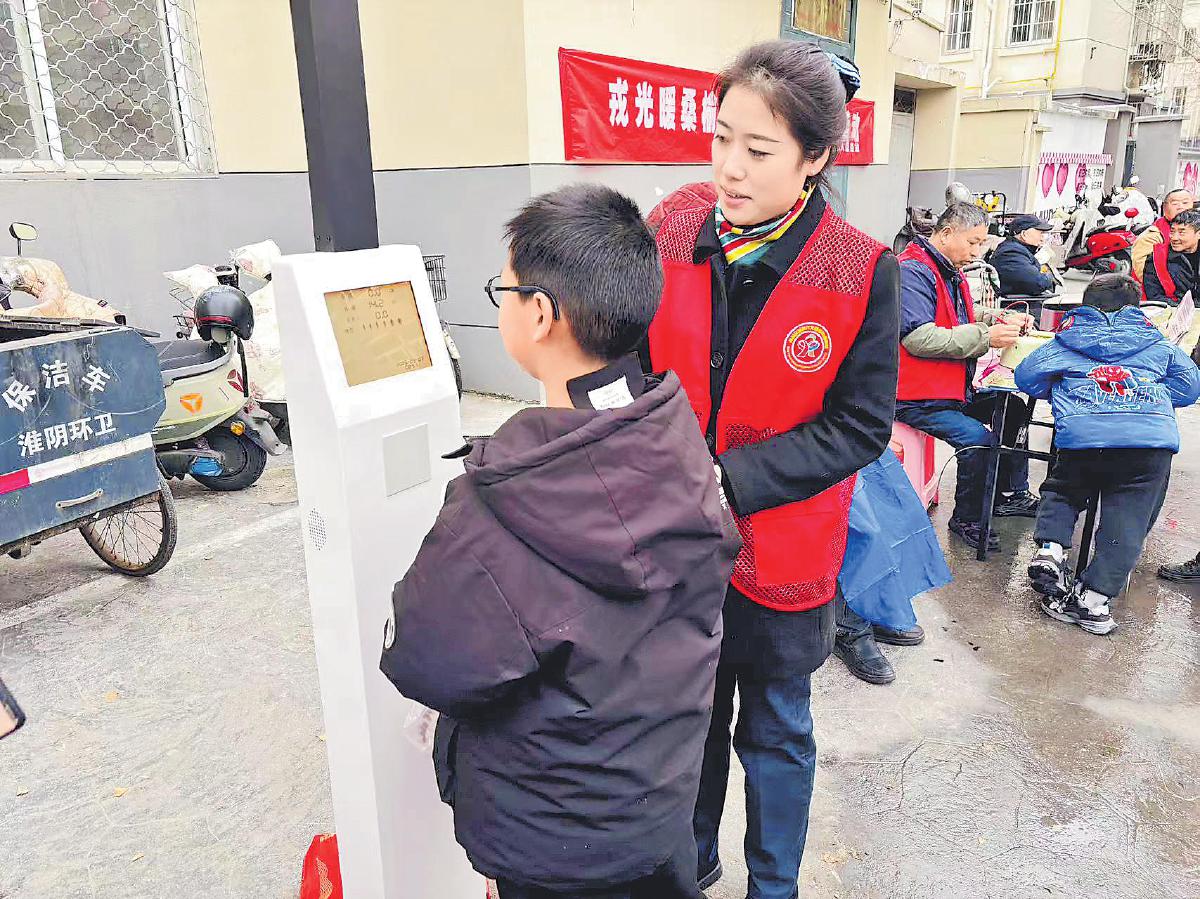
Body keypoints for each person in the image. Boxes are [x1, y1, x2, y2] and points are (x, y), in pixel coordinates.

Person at [380, 184, 741, 899]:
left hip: (553, 838)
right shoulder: (676, 440)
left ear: (540, 313)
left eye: (505, 291)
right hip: (657, 804)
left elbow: (427, 661)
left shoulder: (502, 505)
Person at [643, 42, 899, 897]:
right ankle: (691, 864)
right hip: (677, 541)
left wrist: (734, 477)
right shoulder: (672, 229)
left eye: (758, 150)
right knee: (688, 721)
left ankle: (773, 884)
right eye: (722, 139)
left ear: (815, 156)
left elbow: (859, 425)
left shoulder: (860, 268)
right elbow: (633, 360)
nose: (729, 168)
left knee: (777, 728)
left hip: (783, 548)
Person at [1016, 274, 1200, 634]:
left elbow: (1027, 377)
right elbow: (1189, 387)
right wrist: (1150, 395)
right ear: (1137, 307)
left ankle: (1051, 550)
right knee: (1128, 521)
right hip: (1148, 444)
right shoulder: (1158, 344)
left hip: (1085, 436)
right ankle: (1093, 603)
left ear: (1085, 305)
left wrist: (1062, 392)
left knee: (1063, 489)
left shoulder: (1065, 340)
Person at [893, 203, 1039, 551]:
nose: (977, 251)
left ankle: (1008, 494)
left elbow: (959, 315)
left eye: (981, 243)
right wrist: (987, 337)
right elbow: (918, 338)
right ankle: (967, 519)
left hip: (949, 387)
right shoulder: (912, 271)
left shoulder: (946, 269)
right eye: (973, 242)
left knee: (1014, 409)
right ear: (946, 234)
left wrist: (998, 318)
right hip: (914, 397)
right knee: (977, 439)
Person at [1132, 188, 1194, 280]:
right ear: (1164, 208)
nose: (1181, 207)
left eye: (1185, 203)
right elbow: (1143, 274)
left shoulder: (1195, 231)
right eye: (1175, 203)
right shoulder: (1151, 237)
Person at [1142, 208, 1200, 305]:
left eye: (1181, 232)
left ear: (1198, 234)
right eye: (1172, 231)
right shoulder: (1156, 259)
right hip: (1173, 309)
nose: (1174, 238)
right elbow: (1155, 297)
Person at [991, 214, 1055, 297]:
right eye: (1040, 233)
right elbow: (1037, 283)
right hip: (1019, 303)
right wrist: (1049, 276)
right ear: (1024, 234)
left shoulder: (1015, 249)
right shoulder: (1011, 253)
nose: (1042, 238)